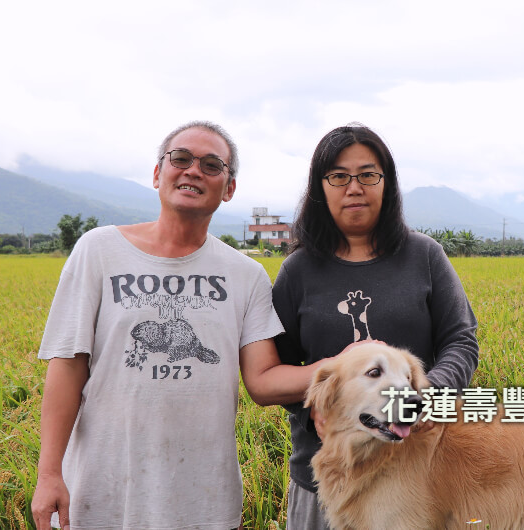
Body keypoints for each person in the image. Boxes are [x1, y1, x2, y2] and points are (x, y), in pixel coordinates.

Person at [31, 121, 321, 529]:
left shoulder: (246, 274)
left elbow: (262, 380)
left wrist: (343, 367)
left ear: (229, 188)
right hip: (103, 495)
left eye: (211, 164)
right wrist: (48, 475)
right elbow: (67, 366)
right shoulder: (98, 250)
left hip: (205, 502)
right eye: (180, 159)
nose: (192, 171)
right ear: (157, 173)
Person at [272, 124, 480, 529]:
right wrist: (316, 402)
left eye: (368, 175)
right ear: (321, 187)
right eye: (338, 176)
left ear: (387, 184)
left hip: (415, 477)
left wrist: (424, 398)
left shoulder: (424, 256)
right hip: (327, 478)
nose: (354, 187)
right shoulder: (297, 271)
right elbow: (276, 369)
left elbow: (460, 341)